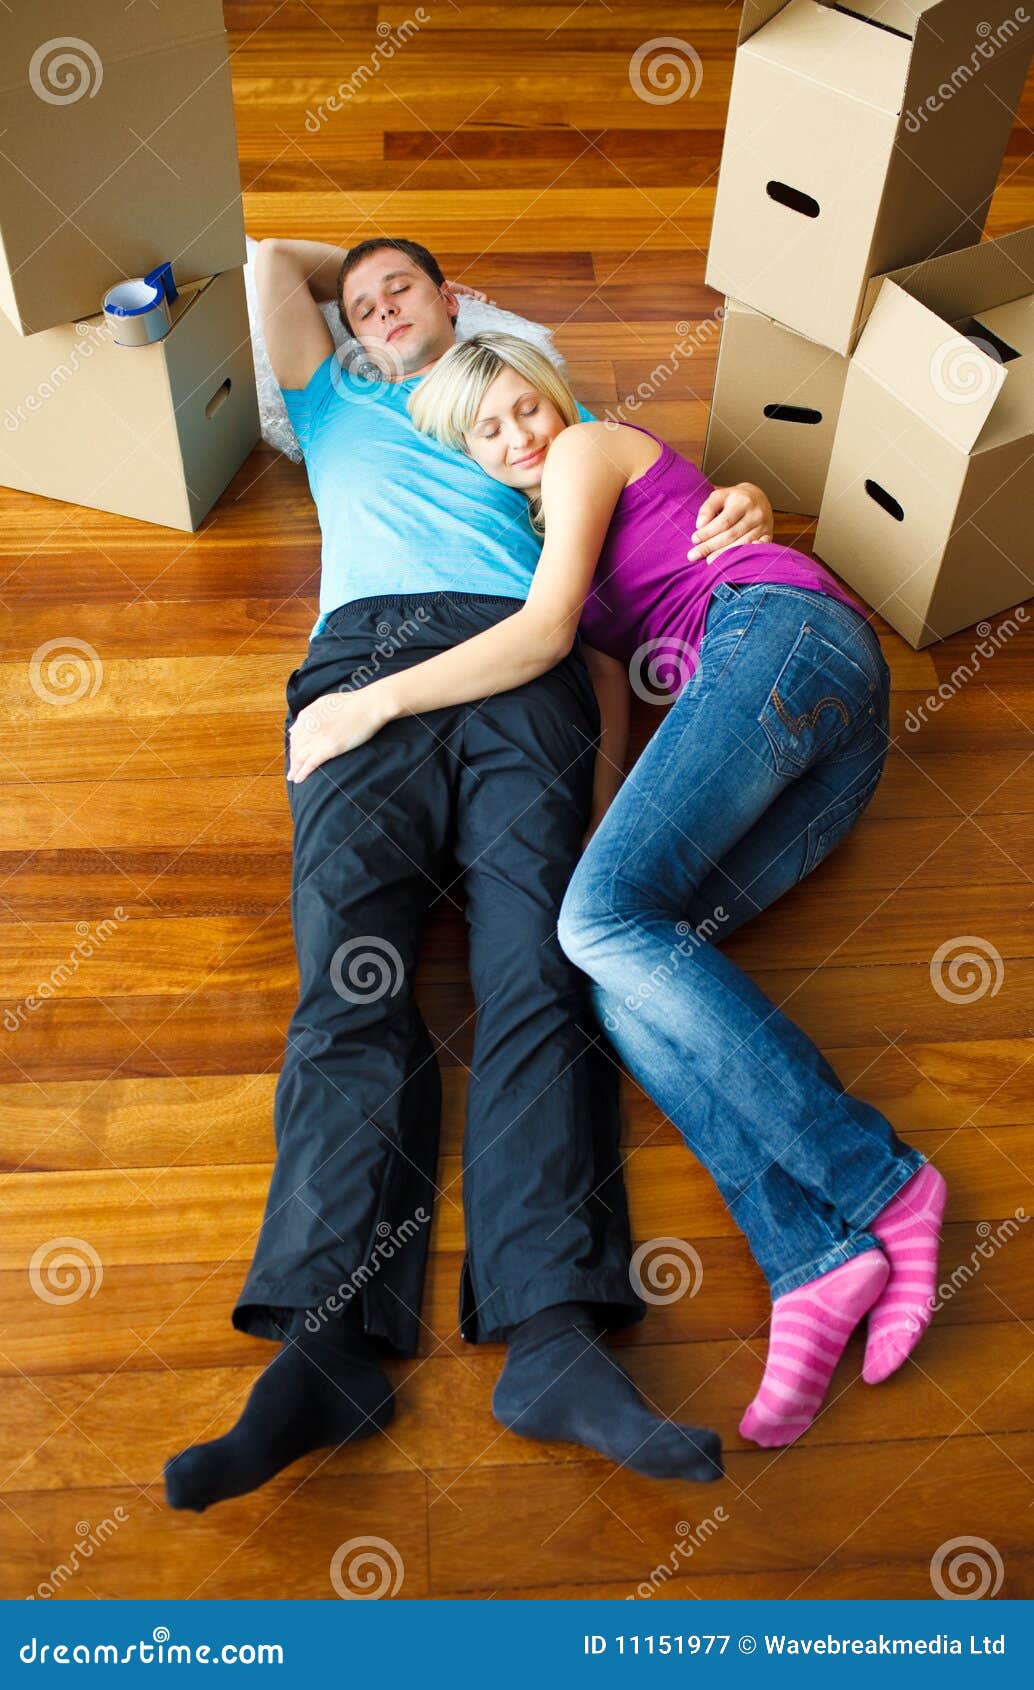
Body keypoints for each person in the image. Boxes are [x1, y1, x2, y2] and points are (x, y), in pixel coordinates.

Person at [164, 241, 770, 1511]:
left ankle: (552, 1338)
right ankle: (325, 1349)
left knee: (536, 979)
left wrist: (741, 508)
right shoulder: (335, 392)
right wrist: (364, 277)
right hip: (361, 675)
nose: (382, 308)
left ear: (456, 298)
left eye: (409, 290)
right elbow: (271, 258)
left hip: (518, 672)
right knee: (349, 985)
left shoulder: (536, 419)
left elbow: (647, 541)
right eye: (368, 299)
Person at [294, 330, 947, 1451]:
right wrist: (593, 844)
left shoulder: (589, 448)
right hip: (821, 745)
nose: (514, 440)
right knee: (604, 966)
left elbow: (540, 631)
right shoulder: (570, 538)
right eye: (484, 433)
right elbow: (602, 696)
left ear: (550, 396)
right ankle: (812, 1260)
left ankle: (878, 1180)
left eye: (519, 410)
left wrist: (372, 703)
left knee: (594, 925)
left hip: (782, 640)